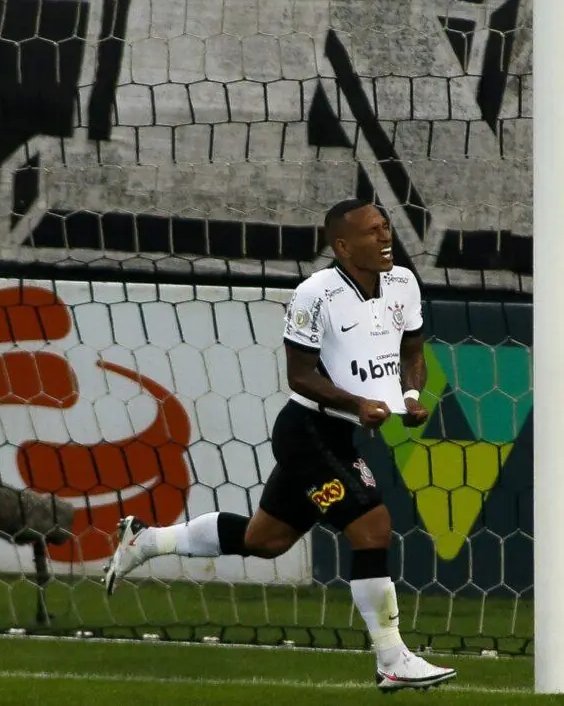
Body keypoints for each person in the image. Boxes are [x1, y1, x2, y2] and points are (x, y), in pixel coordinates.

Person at [103, 199, 458, 692]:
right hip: (308, 432)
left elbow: (413, 350)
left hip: (338, 432)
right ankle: (392, 658)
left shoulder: (402, 282)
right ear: (342, 245)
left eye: (387, 227)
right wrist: (357, 403)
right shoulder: (315, 294)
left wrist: (412, 395)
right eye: (374, 230)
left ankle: (145, 540)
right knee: (373, 527)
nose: (385, 237)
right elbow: (300, 375)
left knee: (263, 541)